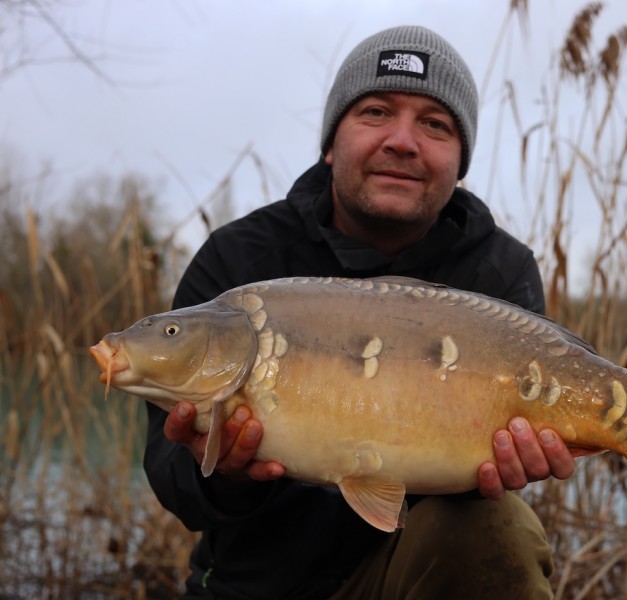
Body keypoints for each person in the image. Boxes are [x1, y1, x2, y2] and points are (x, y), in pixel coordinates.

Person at [144, 25, 575, 599]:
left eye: (435, 124)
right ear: (329, 143)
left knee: (500, 528)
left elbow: (479, 484)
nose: (403, 141)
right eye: (376, 112)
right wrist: (226, 475)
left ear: (460, 162)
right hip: (253, 588)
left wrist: (508, 465)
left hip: (408, 575)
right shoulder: (240, 261)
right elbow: (173, 484)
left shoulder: (499, 272)